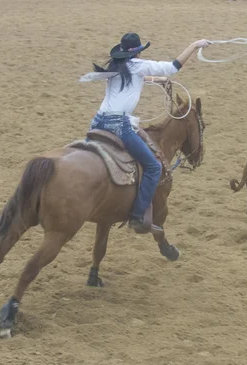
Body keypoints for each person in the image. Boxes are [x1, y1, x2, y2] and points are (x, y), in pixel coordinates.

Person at [87, 32, 210, 234]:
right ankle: (137, 215)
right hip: (119, 124)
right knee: (153, 167)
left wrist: (156, 79)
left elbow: (137, 76)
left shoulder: (117, 67)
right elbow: (173, 67)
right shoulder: (138, 66)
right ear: (136, 53)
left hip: (98, 122)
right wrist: (195, 45)